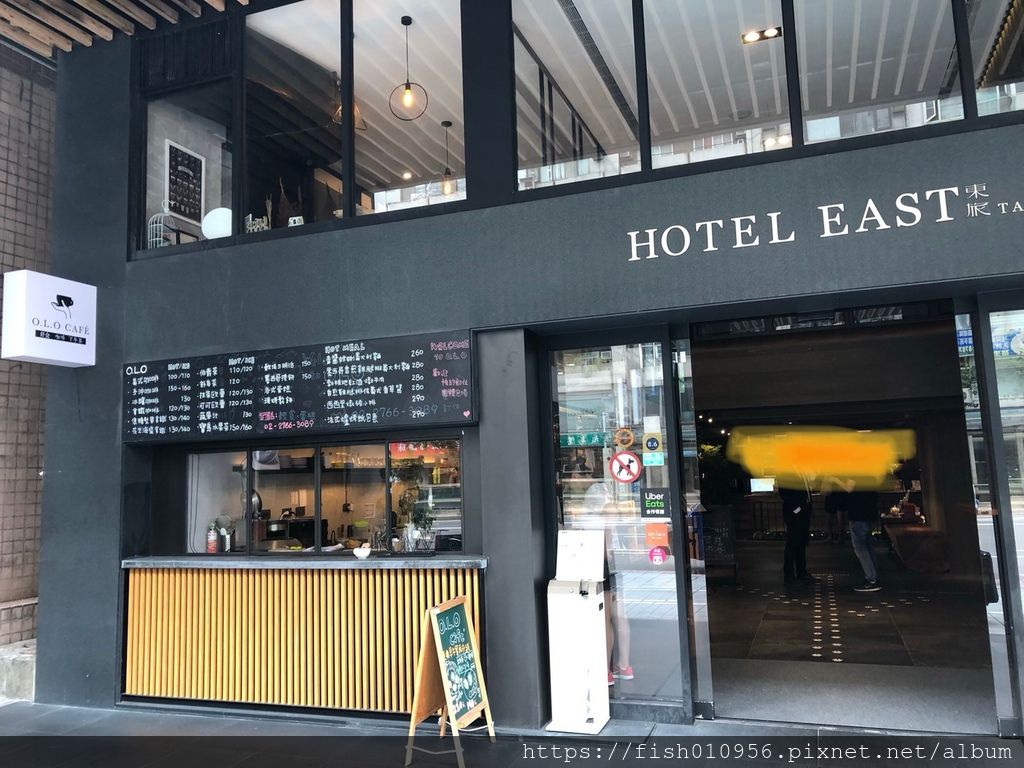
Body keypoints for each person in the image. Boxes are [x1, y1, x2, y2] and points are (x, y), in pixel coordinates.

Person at [581, 474, 632, 685]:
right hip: (617, 568)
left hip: (602, 568)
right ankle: (624, 665)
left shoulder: (594, 518)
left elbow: (605, 551)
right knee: (620, 616)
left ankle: (606, 670)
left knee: (605, 619)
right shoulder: (611, 514)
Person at [778, 483, 815, 584]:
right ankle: (789, 575)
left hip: (803, 511)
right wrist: (796, 509)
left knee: (801, 543)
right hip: (795, 512)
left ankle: (801, 572)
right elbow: (784, 492)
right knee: (793, 543)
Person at [846, 487, 882, 592]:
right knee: (868, 545)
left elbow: (849, 487)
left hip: (858, 512)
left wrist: (835, 479)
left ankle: (871, 578)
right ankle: (874, 576)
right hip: (869, 511)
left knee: (860, 547)